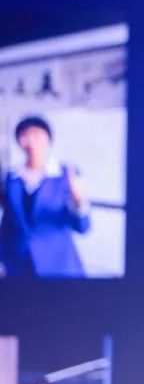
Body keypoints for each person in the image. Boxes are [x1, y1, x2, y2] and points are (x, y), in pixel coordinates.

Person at [0, 116, 91, 277]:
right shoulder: (11, 178)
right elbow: (8, 223)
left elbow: (82, 227)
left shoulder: (66, 175)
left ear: (48, 139)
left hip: (58, 267)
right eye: (24, 135)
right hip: (18, 268)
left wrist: (79, 203)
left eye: (36, 135)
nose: (30, 140)